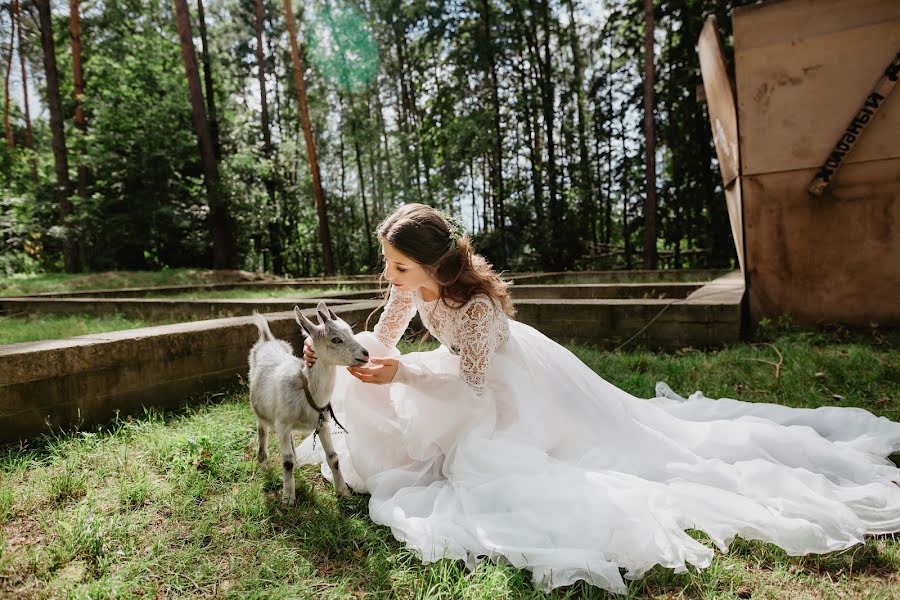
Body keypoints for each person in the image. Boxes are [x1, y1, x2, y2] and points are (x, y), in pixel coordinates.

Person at [296, 203, 900, 594]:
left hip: (507, 388)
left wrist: (399, 377)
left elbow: (472, 388)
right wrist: (337, 351)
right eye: (389, 265)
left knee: (501, 457)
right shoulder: (414, 290)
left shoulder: (475, 310)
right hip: (458, 374)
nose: (390, 278)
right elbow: (383, 338)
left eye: (398, 268)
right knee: (380, 361)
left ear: (432, 264)